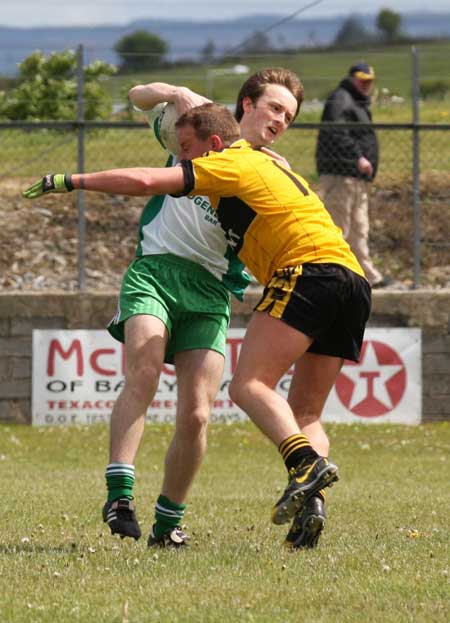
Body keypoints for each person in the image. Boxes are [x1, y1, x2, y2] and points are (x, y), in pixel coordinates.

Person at [24, 100, 372, 550]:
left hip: (301, 272)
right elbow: (163, 96)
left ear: (211, 143)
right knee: (304, 413)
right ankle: (311, 502)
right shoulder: (273, 164)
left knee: (248, 386)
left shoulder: (230, 162)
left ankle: (304, 463)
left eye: (288, 114)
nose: (180, 156)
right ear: (246, 106)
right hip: (352, 281)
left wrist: (69, 180)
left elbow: (149, 179)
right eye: (274, 109)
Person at [316, 61, 390, 289]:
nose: (367, 85)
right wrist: (358, 157)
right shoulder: (341, 98)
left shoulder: (356, 100)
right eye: (362, 80)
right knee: (339, 228)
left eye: (370, 81)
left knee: (359, 228)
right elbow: (336, 131)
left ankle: (366, 275)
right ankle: (331, 277)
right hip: (341, 175)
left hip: (357, 179)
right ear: (352, 79)